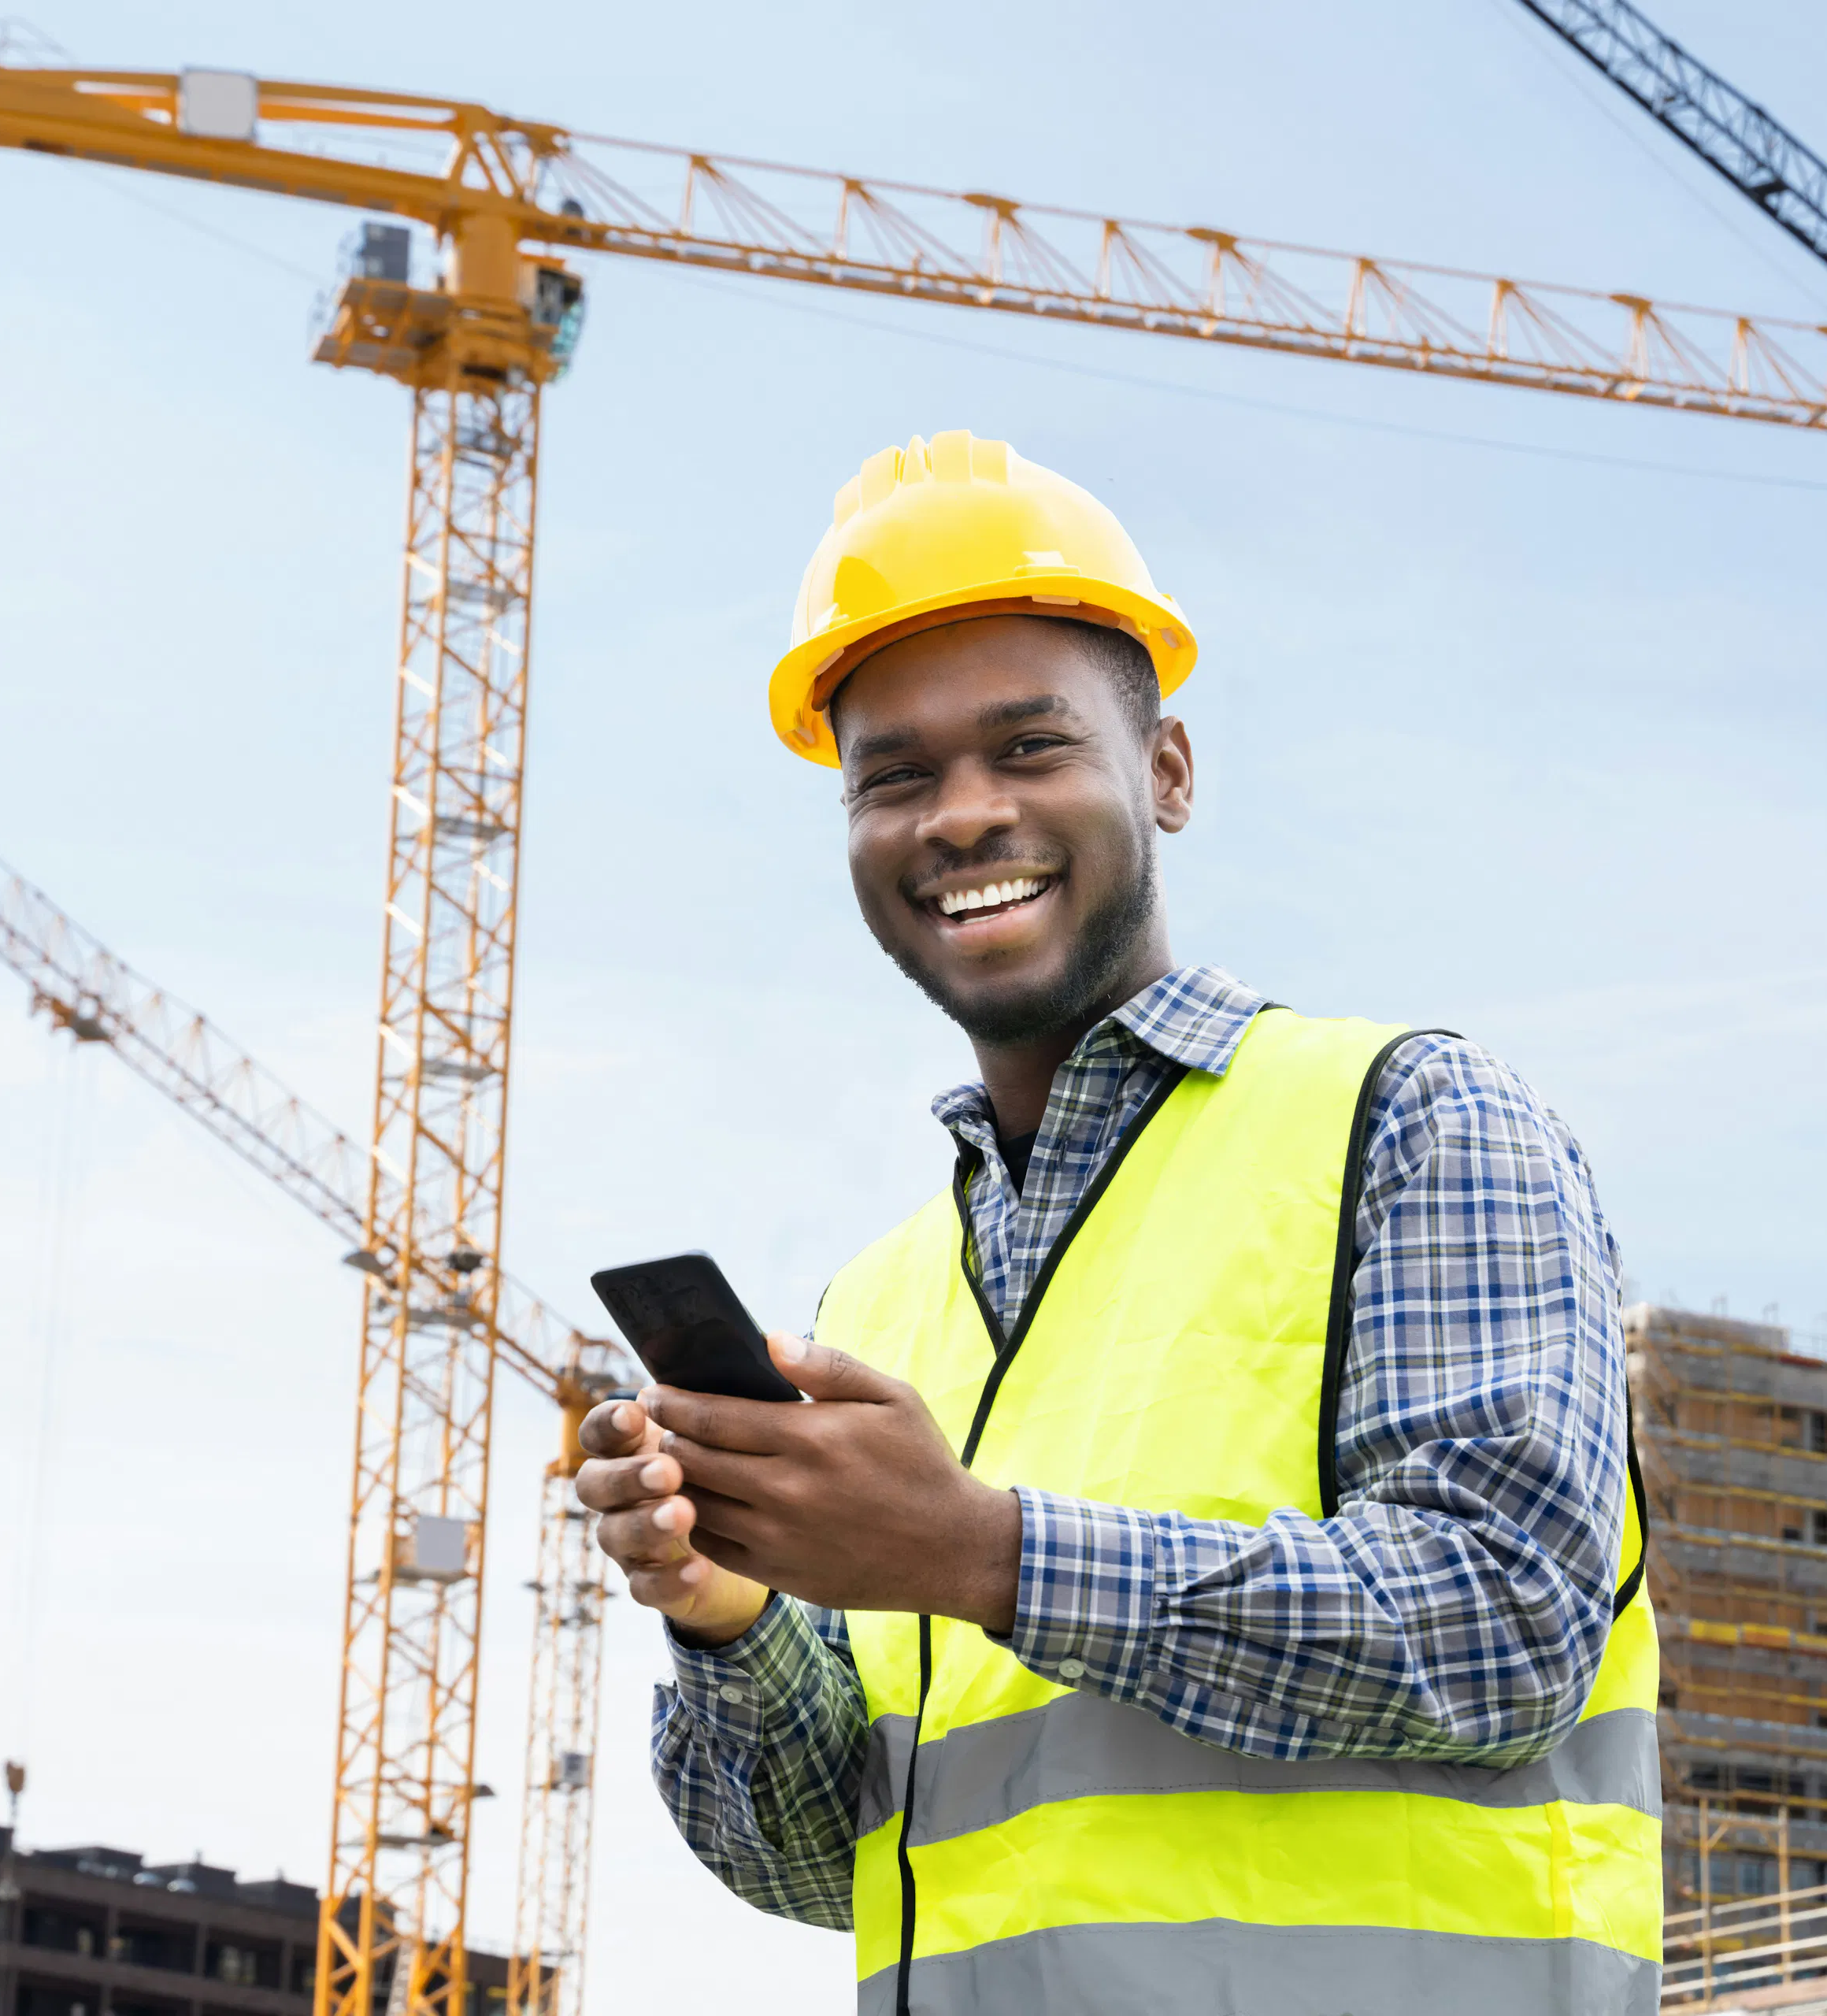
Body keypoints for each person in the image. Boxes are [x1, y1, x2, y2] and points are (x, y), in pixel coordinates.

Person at [575, 431, 1658, 2015]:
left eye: (1028, 748)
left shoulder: (1415, 1122)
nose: (959, 815)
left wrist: (981, 1549)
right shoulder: (880, 1301)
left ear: (1166, 772)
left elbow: (1504, 1623)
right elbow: (824, 1866)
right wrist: (727, 1611)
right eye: (896, 775)